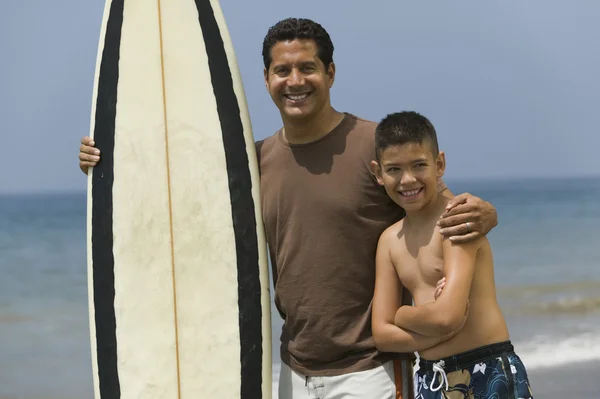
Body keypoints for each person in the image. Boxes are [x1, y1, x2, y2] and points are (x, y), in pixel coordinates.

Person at [78, 18, 500, 399]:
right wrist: (104, 164)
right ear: (266, 79)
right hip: (293, 370)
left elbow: (434, 201)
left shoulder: (374, 146)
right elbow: (180, 195)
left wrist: (488, 213)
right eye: (282, 70)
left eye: (308, 68)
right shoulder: (253, 161)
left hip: (374, 370)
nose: (294, 80)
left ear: (330, 73)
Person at [370, 111, 533, 399]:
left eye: (419, 165)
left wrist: (401, 314)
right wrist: (428, 322)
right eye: (394, 169)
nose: (407, 180)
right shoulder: (389, 242)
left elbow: (447, 316)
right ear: (378, 173)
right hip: (431, 377)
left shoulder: (457, 219)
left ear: (439, 164)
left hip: (487, 368)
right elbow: (382, 336)